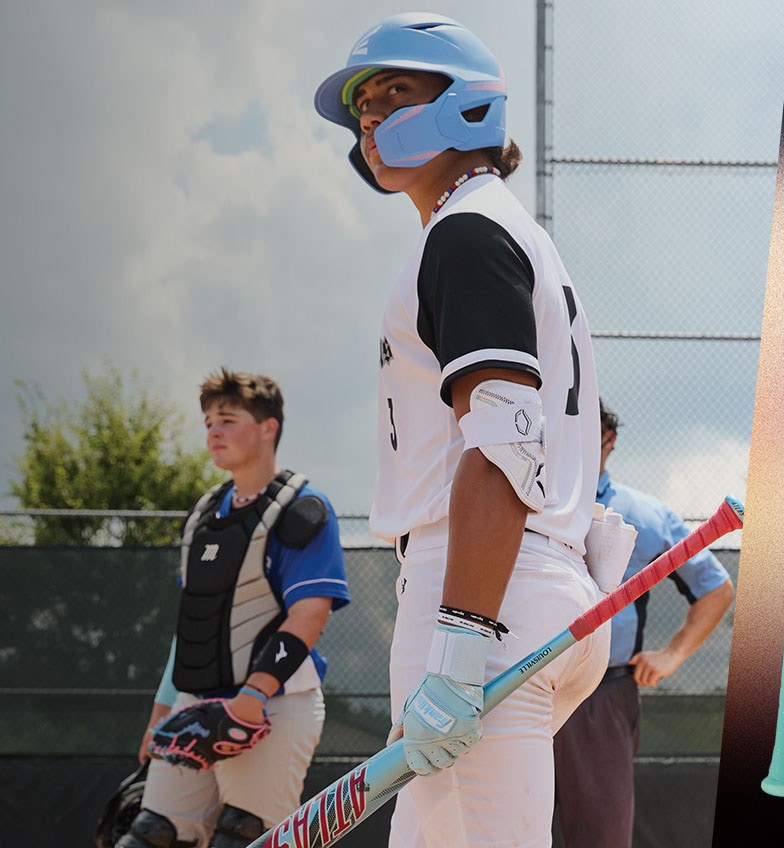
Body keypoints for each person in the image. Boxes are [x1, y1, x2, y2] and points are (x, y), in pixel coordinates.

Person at [313, 12, 609, 848]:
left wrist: (460, 646)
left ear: (467, 104)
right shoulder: (493, 225)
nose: (371, 116)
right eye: (363, 104)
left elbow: (503, 444)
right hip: (518, 585)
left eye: (395, 91)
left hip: (485, 591)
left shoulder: (468, 231)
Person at [118, 369, 350, 848]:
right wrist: (161, 713)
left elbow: (308, 614)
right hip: (195, 704)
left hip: (274, 704)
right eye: (207, 423)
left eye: (227, 419)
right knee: (151, 836)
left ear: (269, 428)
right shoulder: (204, 514)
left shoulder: (302, 508)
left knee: (245, 837)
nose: (213, 432)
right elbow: (193, 626)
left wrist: (252, 698)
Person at [553, 398, 735, 847]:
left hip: (600, 696)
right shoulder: (521, 503)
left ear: (608, 440)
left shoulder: (645, 516)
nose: (569, 443)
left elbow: (715, 587)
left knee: (600, 837)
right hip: (513, 685)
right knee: (500, 828)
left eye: (584, 434)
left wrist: (672, 653)